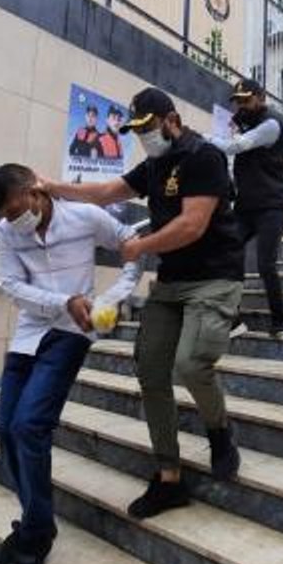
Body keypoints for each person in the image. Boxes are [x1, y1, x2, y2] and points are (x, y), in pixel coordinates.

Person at [42, 86, 244, 520]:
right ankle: (169, 477)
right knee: (151, 370)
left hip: (214, 279)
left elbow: (192, 226)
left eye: (148, 127)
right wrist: (51, 188)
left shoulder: (203, 156)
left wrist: (140, 246)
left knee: (191, 364)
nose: (144, 136)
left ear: (171, 120)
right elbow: (106, 192)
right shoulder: (154, 164)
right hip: (172, 282)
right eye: (136, 130)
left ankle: (220, 431)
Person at [0, 163, 142, 564]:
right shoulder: (6, 232)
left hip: (71, 333)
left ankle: (36, 535)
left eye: (17, 210)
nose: (13, 222)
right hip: (29, 333)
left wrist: (115, 295)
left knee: (29, 426)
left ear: (37, 193)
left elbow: (131, 243)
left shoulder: (84, 215)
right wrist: (64, 301)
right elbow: (11, 286)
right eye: (6, 216)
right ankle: (35, 520)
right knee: (5, 428)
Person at [210, 79, 283, 338]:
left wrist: (202, 139)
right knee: (225, 253)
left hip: (272, 207)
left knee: (265, 264)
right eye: (238, 100)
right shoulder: (242, 119)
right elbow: (236, 157)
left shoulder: (271, 125)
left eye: (247, 99)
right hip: (245, 207)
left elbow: (238, 146)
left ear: (261, 97)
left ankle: (280, 322)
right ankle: (233, 320)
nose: (241, 105)